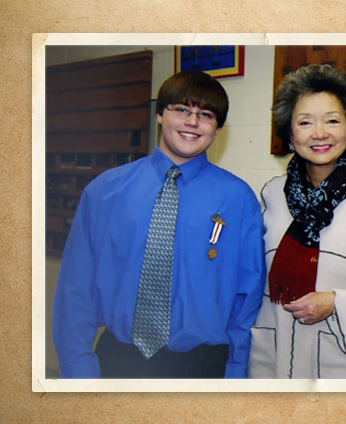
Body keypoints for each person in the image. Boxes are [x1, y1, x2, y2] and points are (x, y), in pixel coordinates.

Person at [53, 71, 265, 378]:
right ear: (159, 116)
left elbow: (247, 298)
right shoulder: (104, 192)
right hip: (117, 362)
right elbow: (76, 289)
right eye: (181, 110)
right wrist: (77, 371)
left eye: (205, 115)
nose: (192, 122)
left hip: (202, 368)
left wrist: (235, 373)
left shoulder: (239, 200)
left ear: (217, 129)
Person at [248, 64, 346, 378]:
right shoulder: (272, 195)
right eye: (305, 122)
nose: (320, 133)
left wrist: (336, 302)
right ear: (290, 133)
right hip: (274, 358)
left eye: (332, 120)